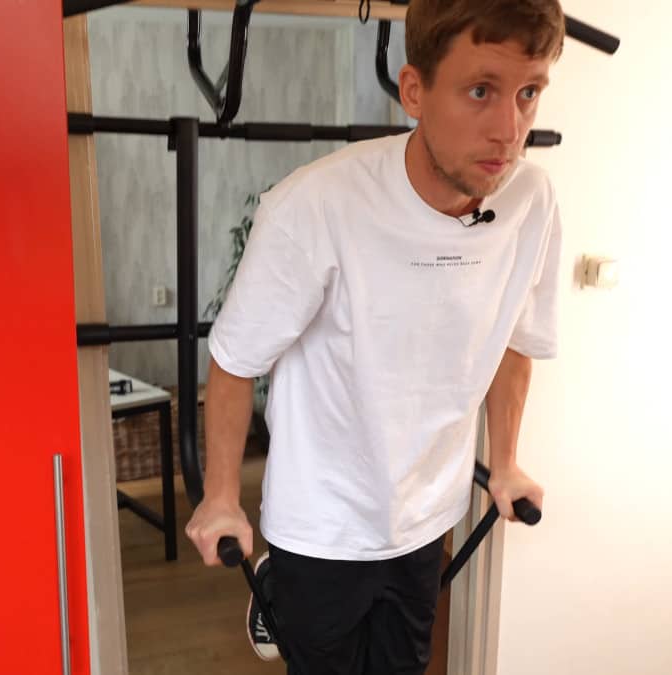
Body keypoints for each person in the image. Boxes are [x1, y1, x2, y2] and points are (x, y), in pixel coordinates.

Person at [185, 0, 565, 672]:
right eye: (481, 91)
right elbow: (236, 359)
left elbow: (517, 337)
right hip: (320, 521)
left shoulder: (531, 202)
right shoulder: (315, 206)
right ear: (414, 91)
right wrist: (220, 497)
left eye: (528, 93)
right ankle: (279, 586)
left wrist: (505, 462)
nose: (510, 130)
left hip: (426, 512)